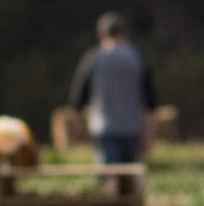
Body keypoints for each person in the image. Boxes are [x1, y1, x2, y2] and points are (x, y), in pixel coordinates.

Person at [67, 15, 158, 176]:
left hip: (104, 127)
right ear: (124, 33)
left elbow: (77, 99)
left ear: (101, 35)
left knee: (109, 179)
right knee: (129, 181)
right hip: (132, 127)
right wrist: (150, 133)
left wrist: (78, 127)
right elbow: (151, 100)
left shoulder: (94, 58)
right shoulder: (136, 57)